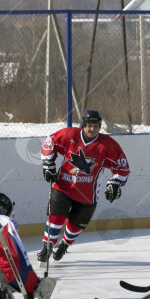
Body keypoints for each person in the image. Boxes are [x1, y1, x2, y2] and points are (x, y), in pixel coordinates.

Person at [37, 109, 130, 263]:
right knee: (55, 218)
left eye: (95, 126)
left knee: (75, 227)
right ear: (83, 125)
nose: (92, 129)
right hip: (63, 187)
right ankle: (47, 247)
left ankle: (64, 245)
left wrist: (116, 182)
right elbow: (50, 143)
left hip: (87, 195)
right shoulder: (69, 135)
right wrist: (48, 164)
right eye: (89, 125)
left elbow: (122, 166)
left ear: (99, 126)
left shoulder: (107, 145)